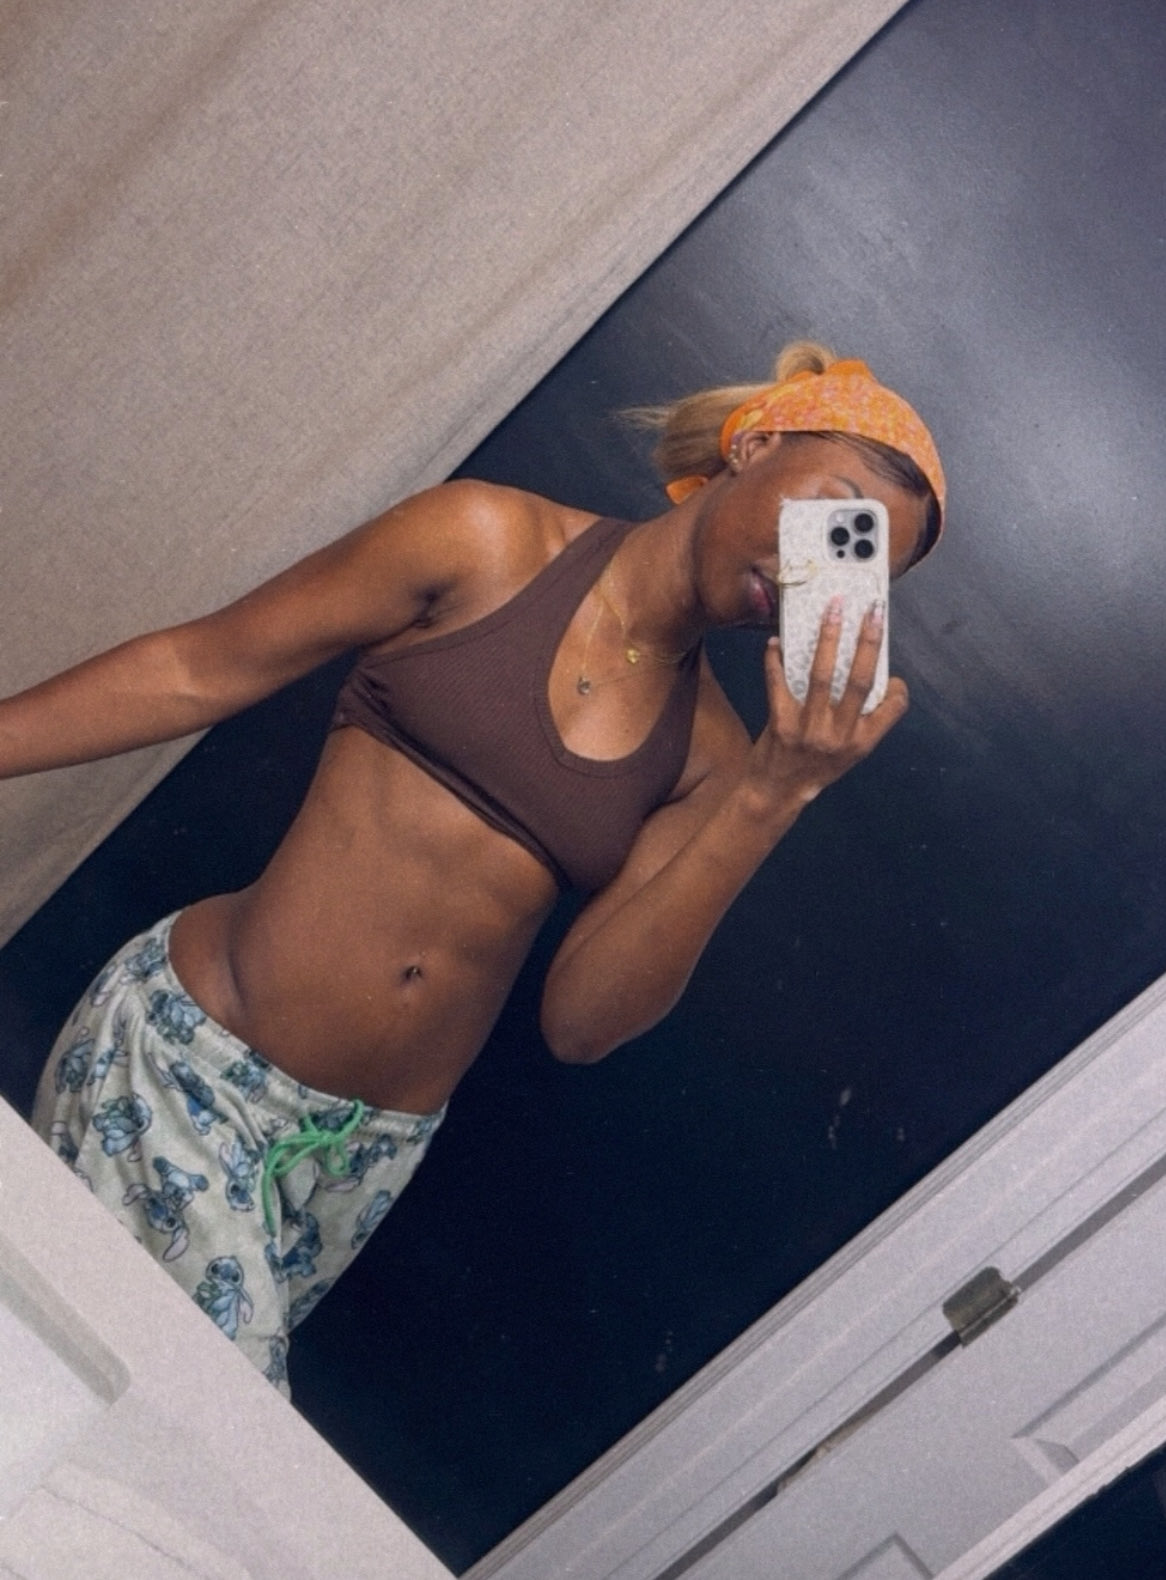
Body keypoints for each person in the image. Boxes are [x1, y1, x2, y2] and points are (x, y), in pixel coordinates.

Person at [4, 341, 945, 1394]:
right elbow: (196, 669)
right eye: (836, 513)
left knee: (55, 1413)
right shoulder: (484, 541)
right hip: (194, 1067)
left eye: (862, 562)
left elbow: (581, 1022)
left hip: (361, 1160)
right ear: (756, 446)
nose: (825, 563)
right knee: (185, 1442)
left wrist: (772, 792)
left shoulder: (713, 758)